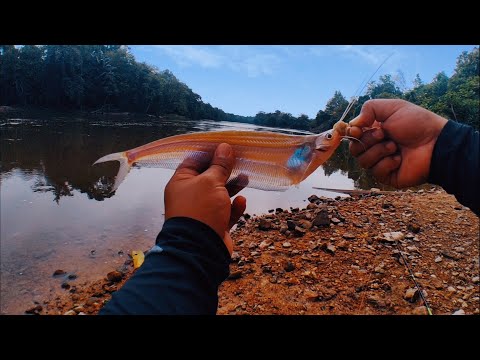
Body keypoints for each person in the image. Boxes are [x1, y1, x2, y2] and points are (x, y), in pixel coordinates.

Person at [100, 99, 478, 315]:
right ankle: (133, 158)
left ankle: (133, 158)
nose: (334, 138)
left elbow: (295, 167)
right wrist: (447, 149)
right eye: (329, 137)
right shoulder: (312, 146)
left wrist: (186, 245)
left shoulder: (312, 147)